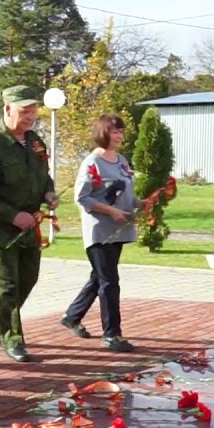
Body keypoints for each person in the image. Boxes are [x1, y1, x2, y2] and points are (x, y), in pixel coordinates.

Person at [0, 85, 57, 362]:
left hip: (31, 222)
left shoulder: (35, 141)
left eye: (33, 111)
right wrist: (11, 215)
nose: (30, 116)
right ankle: (12, 339)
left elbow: (44, 175)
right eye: (24, 111)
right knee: (6, 284)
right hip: (2, 227)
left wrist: (49, 192)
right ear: (7, 109)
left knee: (28, 278)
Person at [60, 114, 142, 352]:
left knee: (100, 277)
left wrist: (139, 203)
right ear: (102, 133)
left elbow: (124, 193)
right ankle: (112, 335)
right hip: (100, 231)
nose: (119, 136)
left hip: (119, 229)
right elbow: (82, 197)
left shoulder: (121, 161)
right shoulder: (91, 163)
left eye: (120, 131)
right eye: (114, 132)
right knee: (109, 281)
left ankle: (72, 317)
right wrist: (111, 212)